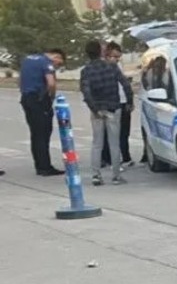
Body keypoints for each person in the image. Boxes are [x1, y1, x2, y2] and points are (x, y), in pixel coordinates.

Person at [78, 40, 126, 185]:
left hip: (97, 109)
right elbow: (125, 84)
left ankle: (96, 175)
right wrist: (129, 101)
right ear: (100, 52)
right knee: (114, 143)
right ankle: (116, 176)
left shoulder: (86, 71)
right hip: (113, 107)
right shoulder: (112, 67)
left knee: (97, 143)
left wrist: (94, 109)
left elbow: (86, 92)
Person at [17, 47, 66, 177]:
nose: (57, 66)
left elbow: (20, 80)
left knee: (35, 133)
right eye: (59, 63)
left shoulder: (27, 59)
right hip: (39, 99)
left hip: (26, 98)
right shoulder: (46, 62)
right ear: (57, 57)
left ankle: (39, 164)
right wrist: (51, 97)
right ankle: (45, 167)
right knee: (43, 133)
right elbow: (51, 83)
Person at [101, 42, 134, 170]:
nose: (116, 59)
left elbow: (125, 85)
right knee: (109, 132)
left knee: (124, 132)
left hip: (123, 100)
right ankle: (108, 158)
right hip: (111, 103)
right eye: (114, 56)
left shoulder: (118, 65)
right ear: (107, 55)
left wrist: (130, 101)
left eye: (118, 57)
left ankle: (125, 156)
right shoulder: (103, 67)